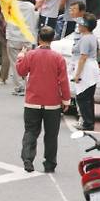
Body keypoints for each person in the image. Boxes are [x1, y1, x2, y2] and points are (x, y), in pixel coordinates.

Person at [16, 26, 71, 172]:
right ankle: (50, 163)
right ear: (52, 39)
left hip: (32, 101)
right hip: (52, 103)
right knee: (51, 135)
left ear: (39, 38)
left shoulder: (31, 55)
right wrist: (66, 100)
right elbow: (64, 81)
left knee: (30, 131)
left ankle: (27, 159)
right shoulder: (58, 58)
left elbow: (21, 70)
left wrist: (21, 56)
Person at [6, 0, 38, 96]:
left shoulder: (11, 5)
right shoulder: (30, 6)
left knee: (15, 63)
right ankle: (28, 85)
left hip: (13, 38)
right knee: (28, 63)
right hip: (27, 38)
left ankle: (19, 86)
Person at [73, 14, 100, 131]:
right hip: (92, 66)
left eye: (81, 24)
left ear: (86, 26)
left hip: (87, 68)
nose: (78, 26)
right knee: (88, 96)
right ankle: (89, 121)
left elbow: (83, 57)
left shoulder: (85, 38)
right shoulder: (92, 37)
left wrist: (77, 74)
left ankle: (87, 123)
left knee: (82, 96)